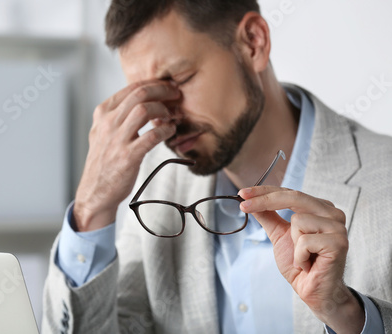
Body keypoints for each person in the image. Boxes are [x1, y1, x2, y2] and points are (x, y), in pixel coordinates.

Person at [42, 1, 392, 333]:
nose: (166, 116)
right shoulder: (155, 192)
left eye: (178, 80)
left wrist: (347, 315)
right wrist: (92, 208)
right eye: (150, 95)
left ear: (253, 43)